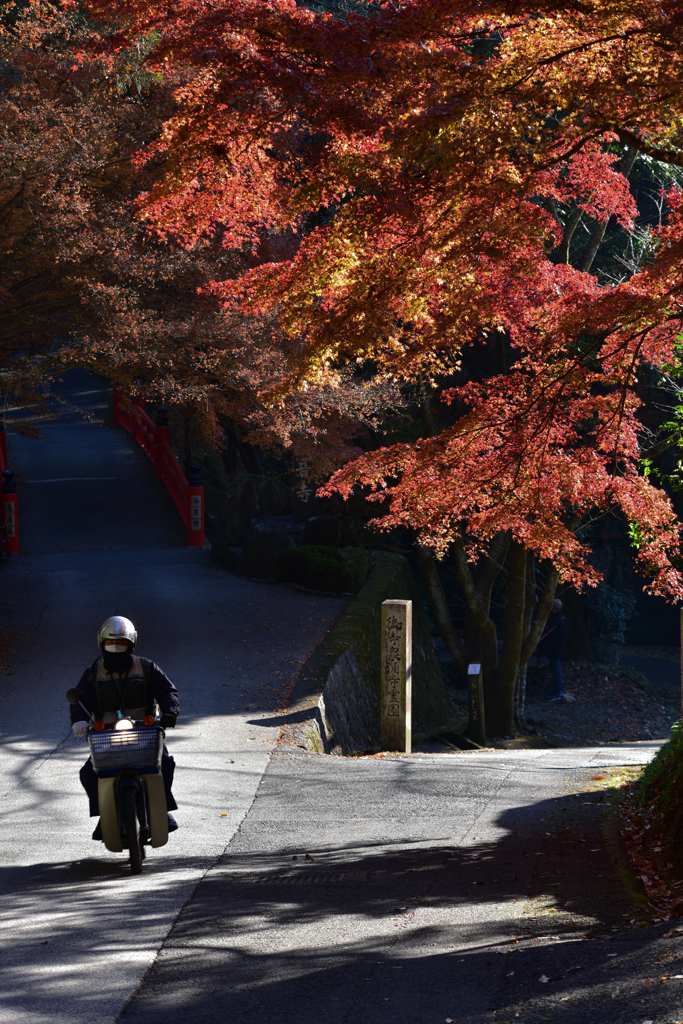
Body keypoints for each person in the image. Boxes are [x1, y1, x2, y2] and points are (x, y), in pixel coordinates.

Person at [70, 615, 180, 840]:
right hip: (106, 734)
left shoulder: (147, 667)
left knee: (165, 763)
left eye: (122, 645)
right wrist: (79, 720)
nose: (117, 650)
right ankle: (105, 815)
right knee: (88, 774)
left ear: (131, 645)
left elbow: (168, 692)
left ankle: (163, 809)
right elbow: (81, 700)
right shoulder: (92, 674)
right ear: (102, 645)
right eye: (111, 645)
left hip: (146, 732)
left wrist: (170, 711)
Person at [538, 598, 569, 701]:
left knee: (556, 669)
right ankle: (557, 690)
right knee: (556, 668)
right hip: (559, 647)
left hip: (555, 648)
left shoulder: (555, 620)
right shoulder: (563, 618)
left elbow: (548, 633)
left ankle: (557, 692)